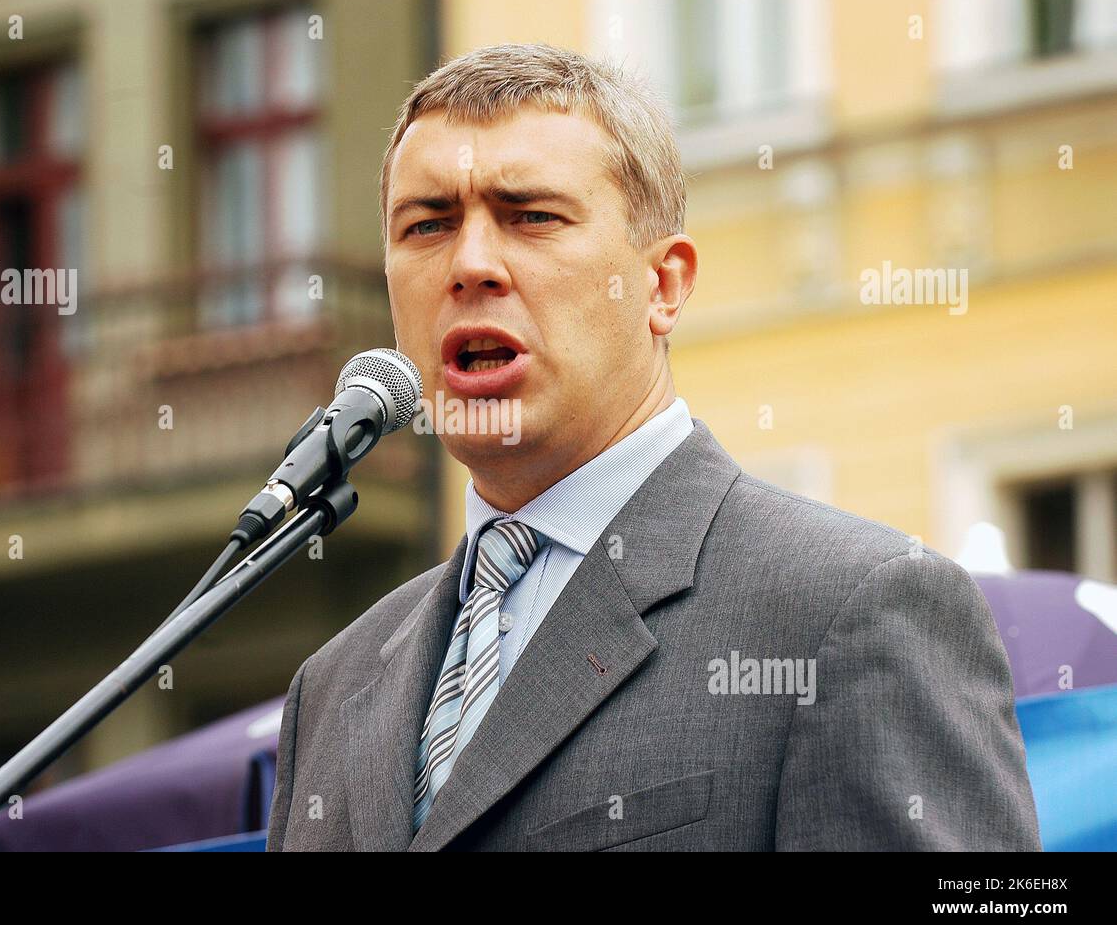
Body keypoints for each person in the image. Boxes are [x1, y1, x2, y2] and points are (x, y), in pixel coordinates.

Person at [266, 43, 1040, 851]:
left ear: (662, 284)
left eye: (531, 215)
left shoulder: (853, 611)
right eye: (427, 224)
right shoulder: (333, 689)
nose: (471, 265)